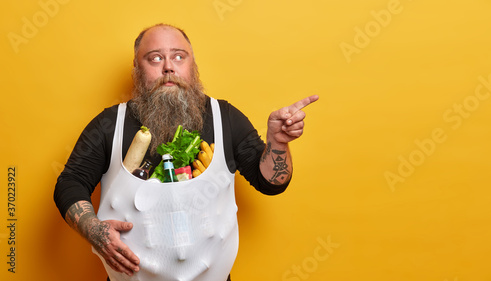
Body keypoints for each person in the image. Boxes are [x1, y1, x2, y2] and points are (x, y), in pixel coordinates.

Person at [54, 23, 318, 281]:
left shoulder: (225, 117)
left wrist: (278, 143)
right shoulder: (110, 123)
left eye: (179, 57)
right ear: (137, 69)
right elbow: (70, 182)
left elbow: (270, 183)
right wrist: (92, 228)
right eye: (154, 58)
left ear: (192, 66)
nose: (168, 67)